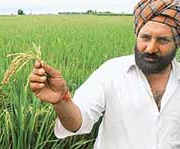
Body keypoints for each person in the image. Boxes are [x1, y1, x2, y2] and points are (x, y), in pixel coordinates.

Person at [29, 0, 180, 148]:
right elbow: (78, 122)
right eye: (145, 37)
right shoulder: (111, 72)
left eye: (163, 40)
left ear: (177, 43)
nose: (151, 48)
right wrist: (61, 101)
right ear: (137, 35)